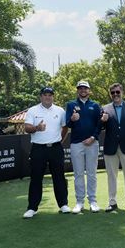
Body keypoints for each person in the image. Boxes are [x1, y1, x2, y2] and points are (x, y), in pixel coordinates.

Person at [23, 87, 70, 218]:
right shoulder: (33, 110)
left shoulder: (60, 110)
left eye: (50, 95)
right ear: (41, 97)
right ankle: (32, 207)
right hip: (38, 148)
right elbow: (27, 128)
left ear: (53, 97)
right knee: (36, 178)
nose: (48, 97)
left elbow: (65, 127)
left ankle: (63, 205)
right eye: (45, 95)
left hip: (55, 148)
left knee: (59, 177)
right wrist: (37, 128)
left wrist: (60, 140)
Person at [101, 83, 125, 213]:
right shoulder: (105, 108)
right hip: (110, 147)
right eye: (113, 93)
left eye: (117, 92)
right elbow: (101, 127)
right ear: (110, 94)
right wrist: (103, 121)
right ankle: (112, 202)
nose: (115, 95)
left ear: (122, 92)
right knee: (111, 176)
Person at [66, 81, 102, 214]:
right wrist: (73, 119)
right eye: (80, 88)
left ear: (89, 90)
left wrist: (93, 137)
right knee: (78, 174)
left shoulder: (95, 105)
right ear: (77, 90)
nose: (83, 90)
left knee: (92, 173)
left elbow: (100, 124)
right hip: (76, 143)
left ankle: (92, 200)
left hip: (92, 143)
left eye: (85, 88)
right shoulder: (71, 105)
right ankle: (79, 201)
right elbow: (68, 124)